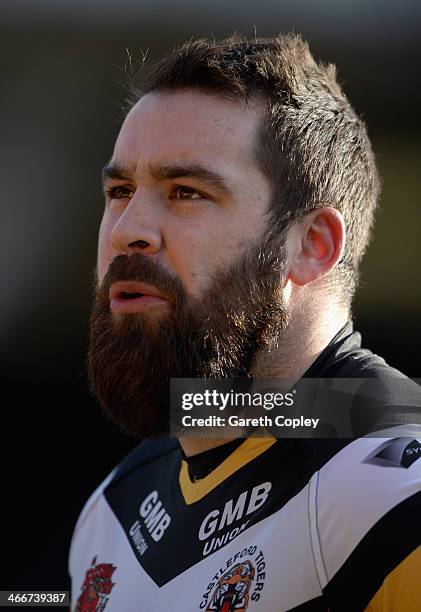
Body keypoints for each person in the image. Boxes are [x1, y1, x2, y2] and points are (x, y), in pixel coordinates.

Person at [69, 33, 421, 611]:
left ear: (311, 245)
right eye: (120, 190)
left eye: (186, 191)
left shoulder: (393, 497)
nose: (127, 229)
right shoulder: (112, 514)